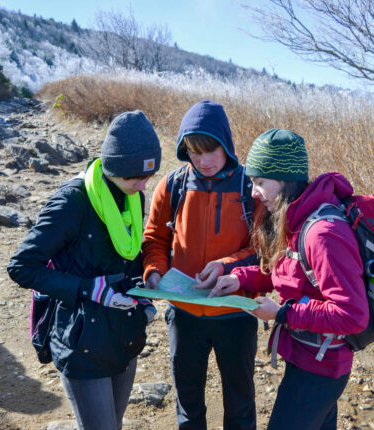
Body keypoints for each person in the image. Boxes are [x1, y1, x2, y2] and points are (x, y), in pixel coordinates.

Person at [8, 110, 161, 430]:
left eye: (149, 174)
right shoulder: (72, 201)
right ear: (115, 165)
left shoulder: (133, 196)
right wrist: (88, 289)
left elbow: (129, 254)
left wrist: (146, 292)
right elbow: (22, 267)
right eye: (137, 175)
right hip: (81, 342)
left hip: (124, 336)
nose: (145, 183)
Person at [209, 128, 370, 430]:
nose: (254, 192)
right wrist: (239, 279)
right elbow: (286, 274)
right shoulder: (296, 216)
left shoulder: (323, 234)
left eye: (259, 183)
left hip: (321, 369)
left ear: (284, 179)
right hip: (307, 356)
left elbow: (353, 315)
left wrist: (282, 312)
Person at [141, 100, 260, 430]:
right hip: (184, 314)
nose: (203, 161)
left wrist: (225, 266)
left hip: (235, 314)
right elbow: (154, 240)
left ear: (227, 146)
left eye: (212, 151)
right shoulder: (173, 185)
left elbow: (263, 251)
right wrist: (153, 272)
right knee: (188, 402)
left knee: (240, 402)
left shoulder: (250, 187)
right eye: (194, 152)